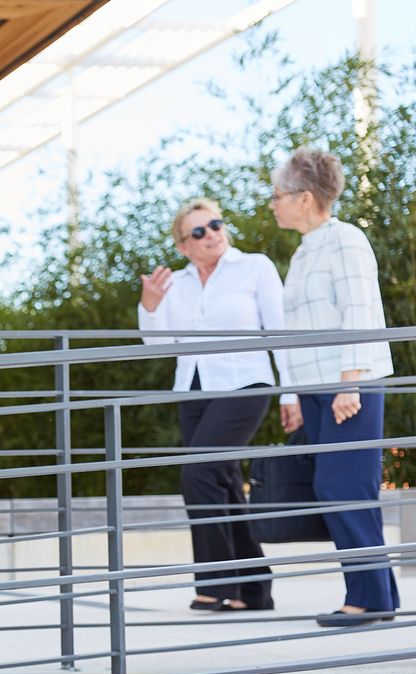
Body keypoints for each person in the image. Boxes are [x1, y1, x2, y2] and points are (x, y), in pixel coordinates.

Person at [270, 146, 398, 627]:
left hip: (350, 386)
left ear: (304, 198)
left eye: (278, 195)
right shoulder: (305, 251)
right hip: (316, 388)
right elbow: (295, 332)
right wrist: (292, 395)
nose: (273, 204)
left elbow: (360, 313)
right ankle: (377, 597)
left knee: (343, 486)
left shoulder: (345, 239)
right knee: (338, 487)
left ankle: (365, 600)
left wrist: (350, 385)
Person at [138, 198, 284, 612]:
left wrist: (292, 394)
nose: (211, 234)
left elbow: (281, 333)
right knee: (220, 482)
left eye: (215, 224)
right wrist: (149, 308)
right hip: (194, 391)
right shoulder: (177, 284)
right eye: (199, 231)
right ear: (184, 245)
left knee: (198, 474)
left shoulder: (255, 267)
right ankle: (255, 589)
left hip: (245, 383)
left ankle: (219, 585)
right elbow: (160, 347)